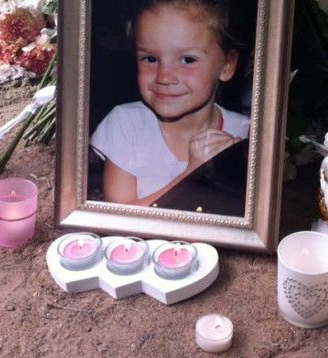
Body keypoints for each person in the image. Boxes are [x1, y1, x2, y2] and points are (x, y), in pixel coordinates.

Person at [91, 0, 251, 208]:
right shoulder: (125, 125)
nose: (164, 77)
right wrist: (191, 176)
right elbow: (118, 219)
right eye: (150, 59)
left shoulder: (248, 135)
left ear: (227, 66)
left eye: (187, 60)